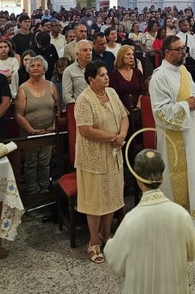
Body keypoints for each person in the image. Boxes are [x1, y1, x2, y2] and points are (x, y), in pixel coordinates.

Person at [104, 149, 195, 293]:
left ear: (138, 179)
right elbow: (192, 252)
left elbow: (115, 261)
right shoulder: (181, 215)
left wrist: (109, 242)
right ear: (162, 177)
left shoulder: (131, 221)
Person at [148, 36, 195, 234]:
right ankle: (176, 223)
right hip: (173, 139)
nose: (184, 52)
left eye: (184, 48)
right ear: (167, 52)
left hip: (190, 134)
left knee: (193, 172)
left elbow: (194, 90)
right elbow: (159, 112)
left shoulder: (183, 70)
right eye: (179, 49)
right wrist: (186, 105)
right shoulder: (159, 77)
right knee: (176, 178)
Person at [74, 61, 128, 264]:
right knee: (96, 201)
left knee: (112, 196)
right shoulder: (84, 100)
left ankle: (107, 235)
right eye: (102, 75)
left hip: (113, 154)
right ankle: (94, 241)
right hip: (93, 158)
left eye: (107, 74)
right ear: (91, 79)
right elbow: (85, 130)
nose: (107, 77)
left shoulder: (112, 93)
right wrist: (113, 138)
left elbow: (124, 116)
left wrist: (122, 135)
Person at [15, 56, 59, 195]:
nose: (35, 68)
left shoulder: (51, 86)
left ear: (44, 69)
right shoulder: (23, 88)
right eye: (32, 66)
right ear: (28, 70)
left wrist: (53, 126)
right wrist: (32, 131)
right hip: (30, 133)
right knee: (31, 163)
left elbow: (57, 108)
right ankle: (32, 192)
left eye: (38, 65)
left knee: (45, 162)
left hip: (48, 132)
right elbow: (19, 114)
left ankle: (45, 190)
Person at [109, 44, 148, 111]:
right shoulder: (114, 74)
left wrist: (138, 106)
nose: (131, 57)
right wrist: (124, 110)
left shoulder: (137, 72)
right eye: (128, 54)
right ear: (121, 56)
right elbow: (114, 95)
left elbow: (143, 91)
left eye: (132, 54)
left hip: (138, 109)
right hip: (120, 109)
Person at [62, 40, 92, 105]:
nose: (89, 53)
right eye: (85, 50)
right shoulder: (69, 71)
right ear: (77, 54)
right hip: (79, 107)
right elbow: (67, 96)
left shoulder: (97, 68)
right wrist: (79, 106)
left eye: (90, 50)